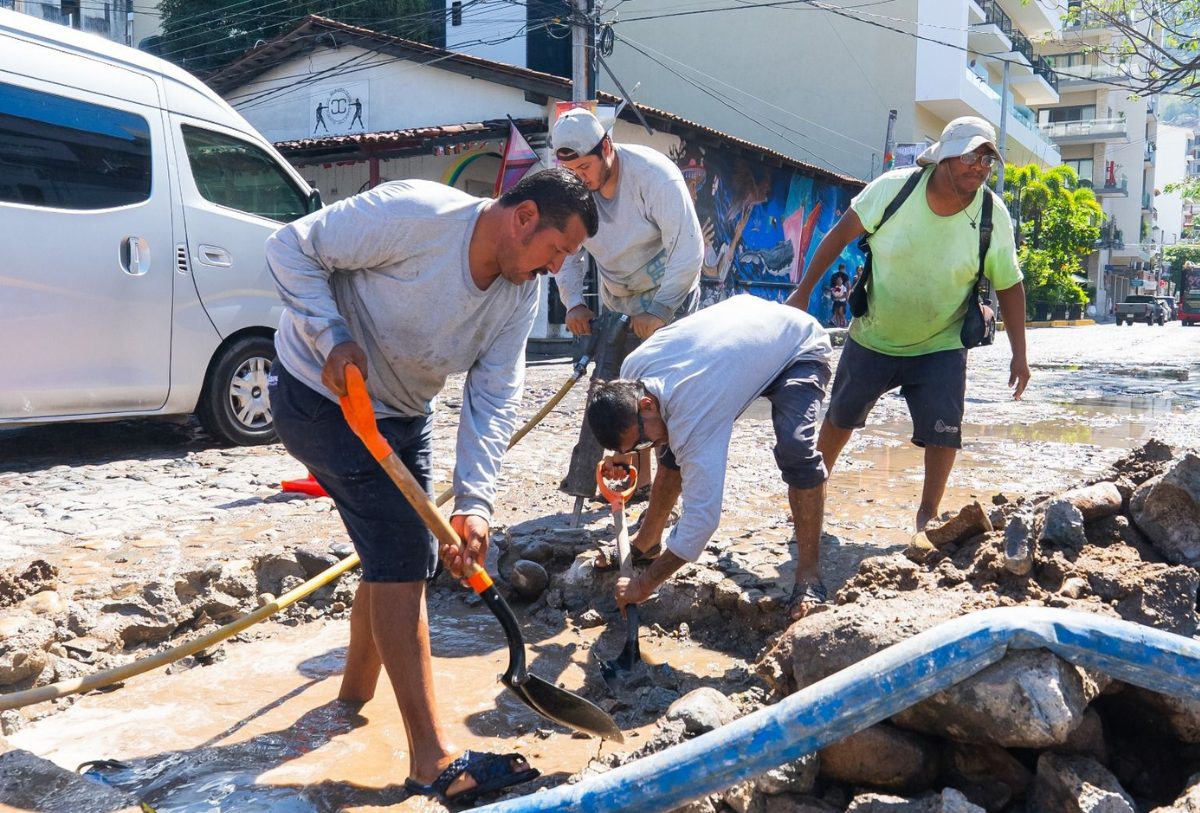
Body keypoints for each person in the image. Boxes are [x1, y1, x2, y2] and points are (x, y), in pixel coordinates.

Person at [265, 169, 598, 805]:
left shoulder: (518, 294)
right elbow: (290, 246)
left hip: (399, 413)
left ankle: (351, 701)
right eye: (556, 250)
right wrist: (332, 335)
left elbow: (493, 395)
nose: (557, 268)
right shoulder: (417, 214)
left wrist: (475, 502)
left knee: (392, 554)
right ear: (523, 216)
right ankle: (431, 760)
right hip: (317, 391)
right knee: (401, 557)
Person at [784, 116, 1030, 533]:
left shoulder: (993, 214)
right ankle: (808, 500)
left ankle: (927, 515)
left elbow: (1009, 284)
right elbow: (838, 237)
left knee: (943, 433)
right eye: (971, 155)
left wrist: (1020, 356)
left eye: (988, 159)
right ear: (944, 157)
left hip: (942, 343)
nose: (979, 166)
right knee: (839, 420)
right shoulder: (894, 189)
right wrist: (804, 291)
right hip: (873, 337)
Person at [587, 295, 834, 621]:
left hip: (799, 345)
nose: (644, 448)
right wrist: (623, 454)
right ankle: (647, 541)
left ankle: (809, 576)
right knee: (672, 439)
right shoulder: (634, 369)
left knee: (796, 449)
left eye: (641, 441)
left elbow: (702, 521)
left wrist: (645, 585)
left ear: (646, 405)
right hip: (748, 335)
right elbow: (646, 429)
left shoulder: (693, 411)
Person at [552, 107, 705, 494]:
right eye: (572, 171)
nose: (580, 178)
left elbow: (688, 250)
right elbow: (567, 251)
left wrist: (659, 310)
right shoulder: (573, 190)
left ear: (606, 147)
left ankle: (668, 487)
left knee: (661, 395)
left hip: (670, 292)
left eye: (585, 167)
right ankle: (629, 482)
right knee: (615, 393)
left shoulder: (653, 177)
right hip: (618, 297)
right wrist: (573, 303)